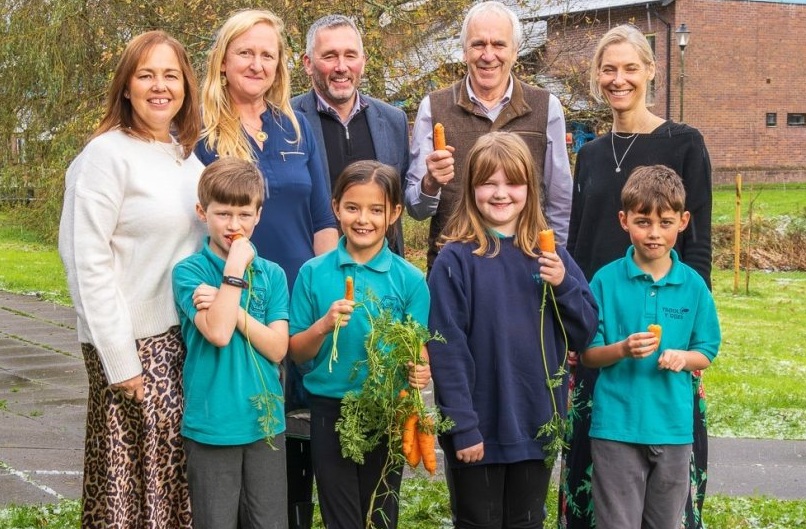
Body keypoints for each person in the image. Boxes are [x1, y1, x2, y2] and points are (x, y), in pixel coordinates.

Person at [560, 24, 714, 529]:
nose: (619, 79)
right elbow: (579, 244)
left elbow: (699, 245)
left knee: (667, 473)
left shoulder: (684, 143)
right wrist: (571, 324)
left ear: (651, 70)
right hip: (602, 325)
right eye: (609, 69)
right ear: (596, 77)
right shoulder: (590, 153)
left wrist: (691, 338)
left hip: (664, 330)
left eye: (630, 68)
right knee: (598, 461)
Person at [195, 11, 339, 528]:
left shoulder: (296, 124)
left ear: (280, 64)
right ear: (224, 60)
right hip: (237, 306)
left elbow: (323, 219)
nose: (257, 64)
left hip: (298, 306)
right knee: (247, 440)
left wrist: (327, 296)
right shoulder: (201, 132)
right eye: (246, 53)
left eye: (267, 54)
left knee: (298, 442)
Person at [58, 30, 203, 528]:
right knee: (126, 492)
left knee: (172, 487)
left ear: (186, 86)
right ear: (126, 86)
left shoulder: (186, 158)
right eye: (146, 75)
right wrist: (120, 359)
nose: (159, 87)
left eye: (170, 75)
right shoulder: (105, 156)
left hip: (183, 343)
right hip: (132, 346)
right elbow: (85, 260)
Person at [427, 132, 598, 529]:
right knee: (477, 521)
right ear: (470, 189)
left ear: (531, 189)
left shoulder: (550, 254)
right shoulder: (455, 260)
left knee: (526, 522)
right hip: (477, 429)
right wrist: (463, 426)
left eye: (512, 182)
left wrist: (564, 286)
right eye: (488, 182)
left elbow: (586, 333)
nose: (500, 193)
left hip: (537, 424)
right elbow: (446, 349)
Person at [288, 160, 432, 528]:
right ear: (335, 207)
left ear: (395, 213)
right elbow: (297, 352)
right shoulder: (313, 273)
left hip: (386, 408)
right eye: (352, 207)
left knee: (381, 512)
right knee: (341, 514)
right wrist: (323, 326)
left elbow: (416, 347)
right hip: (329, 408)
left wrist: (420, 369)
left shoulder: (410, 280)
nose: (362, 218)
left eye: (376, 209)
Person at [580, 164, 721, 529]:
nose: (654, 233)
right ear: (624, 220)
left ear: (684, 221)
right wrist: (623, 349)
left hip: (673, 429)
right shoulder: (605, 281)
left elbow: (707, 348)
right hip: (616, 429)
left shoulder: (693, 286)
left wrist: (684, 358)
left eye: (666, 222)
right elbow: (589, 355)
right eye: (643, 222)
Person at [405, 0, 573, 271]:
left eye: (498, 44)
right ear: (464, 51)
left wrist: (555, 259)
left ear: (516, 51)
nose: (488, 54)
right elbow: (416, 209)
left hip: (525, 267)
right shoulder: (434, 107)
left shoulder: (546, 107)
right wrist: (430, 183)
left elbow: (560, 200)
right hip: (454, 271)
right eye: (478, 44)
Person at [172, 157, 289, 529]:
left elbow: (276, 348)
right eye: (223, 214)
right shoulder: (188, 272)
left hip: (265, 424)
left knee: (268, 521)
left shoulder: (273, 274)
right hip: (212, 423)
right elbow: (218, 334)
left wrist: (233, 309)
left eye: (243, 214)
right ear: (202, 212)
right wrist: (235, 269)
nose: (234, 225)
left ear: (258, 214)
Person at [292, 14, 409, 257]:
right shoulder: (285, 120)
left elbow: (403, 198)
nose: (341, 66)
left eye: (350, 55)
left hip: (382, 272)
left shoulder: (393, 121)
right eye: (330, 56)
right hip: (313, 270)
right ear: (308, 63)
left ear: (363, 61)